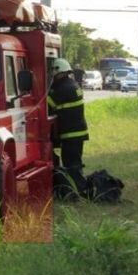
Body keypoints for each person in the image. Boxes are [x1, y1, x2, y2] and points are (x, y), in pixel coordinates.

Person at [47, 58, 89, 194]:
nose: (54, 76)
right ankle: (80, 187)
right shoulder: (73, 84)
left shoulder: (62, 88)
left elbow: (47, 105)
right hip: (78, 132)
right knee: (75, 162)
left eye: (54, 74)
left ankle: (80, 190)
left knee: (71, 164)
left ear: (59, 72)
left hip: (71, 133)